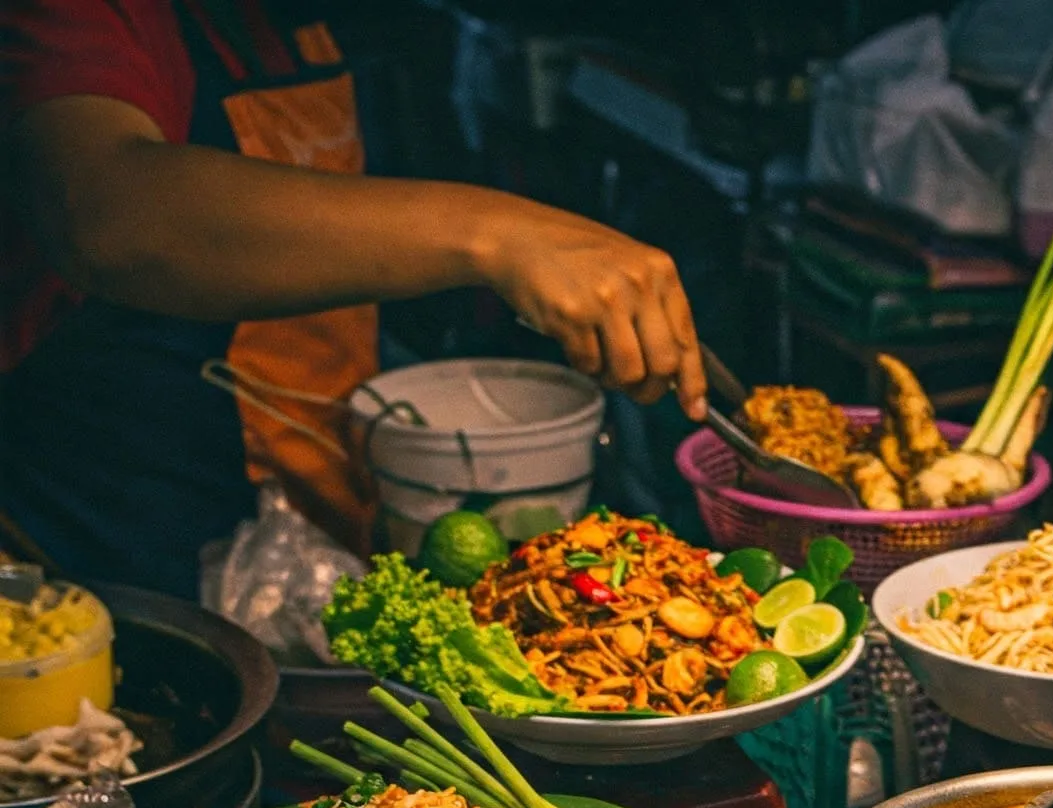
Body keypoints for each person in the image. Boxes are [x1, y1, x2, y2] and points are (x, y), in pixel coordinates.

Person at [1, 1, 707, 596]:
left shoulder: (295, 22)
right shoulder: (84, 17)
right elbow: (107, 213)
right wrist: (501, 234)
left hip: (299, 536)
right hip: (106, 564)